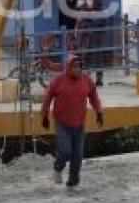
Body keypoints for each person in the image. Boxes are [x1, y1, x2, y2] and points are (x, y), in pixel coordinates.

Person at [41, 54, 103, 189]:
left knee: (78, 154)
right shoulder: (58, 80)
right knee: (65, 151)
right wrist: (44, 115)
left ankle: (73, 182)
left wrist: (99, 112)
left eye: (79, 67)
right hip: (62, 123)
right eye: (75, 67)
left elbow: (94, 96)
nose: (77, 70)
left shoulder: (86, 80)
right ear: (69, 67)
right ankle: (58, 168)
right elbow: (47, 97)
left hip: (79, 123)